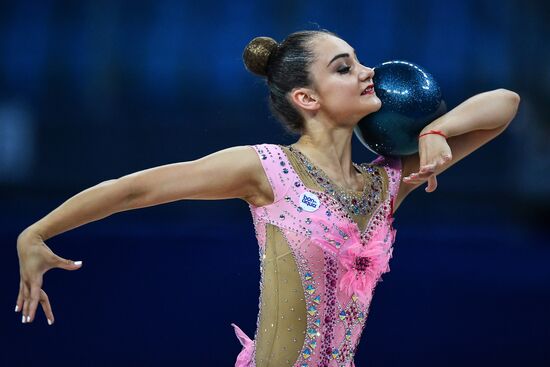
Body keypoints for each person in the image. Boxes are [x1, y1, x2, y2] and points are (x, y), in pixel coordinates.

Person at [15, 29, 520, 367]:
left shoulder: (386, 183)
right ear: (307, 99)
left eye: (360, 62)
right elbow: (134, 189)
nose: (370, 72)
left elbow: (504, 105)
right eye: (345, 68)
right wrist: (36, 232)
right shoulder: (266, 168)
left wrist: (440, 129)